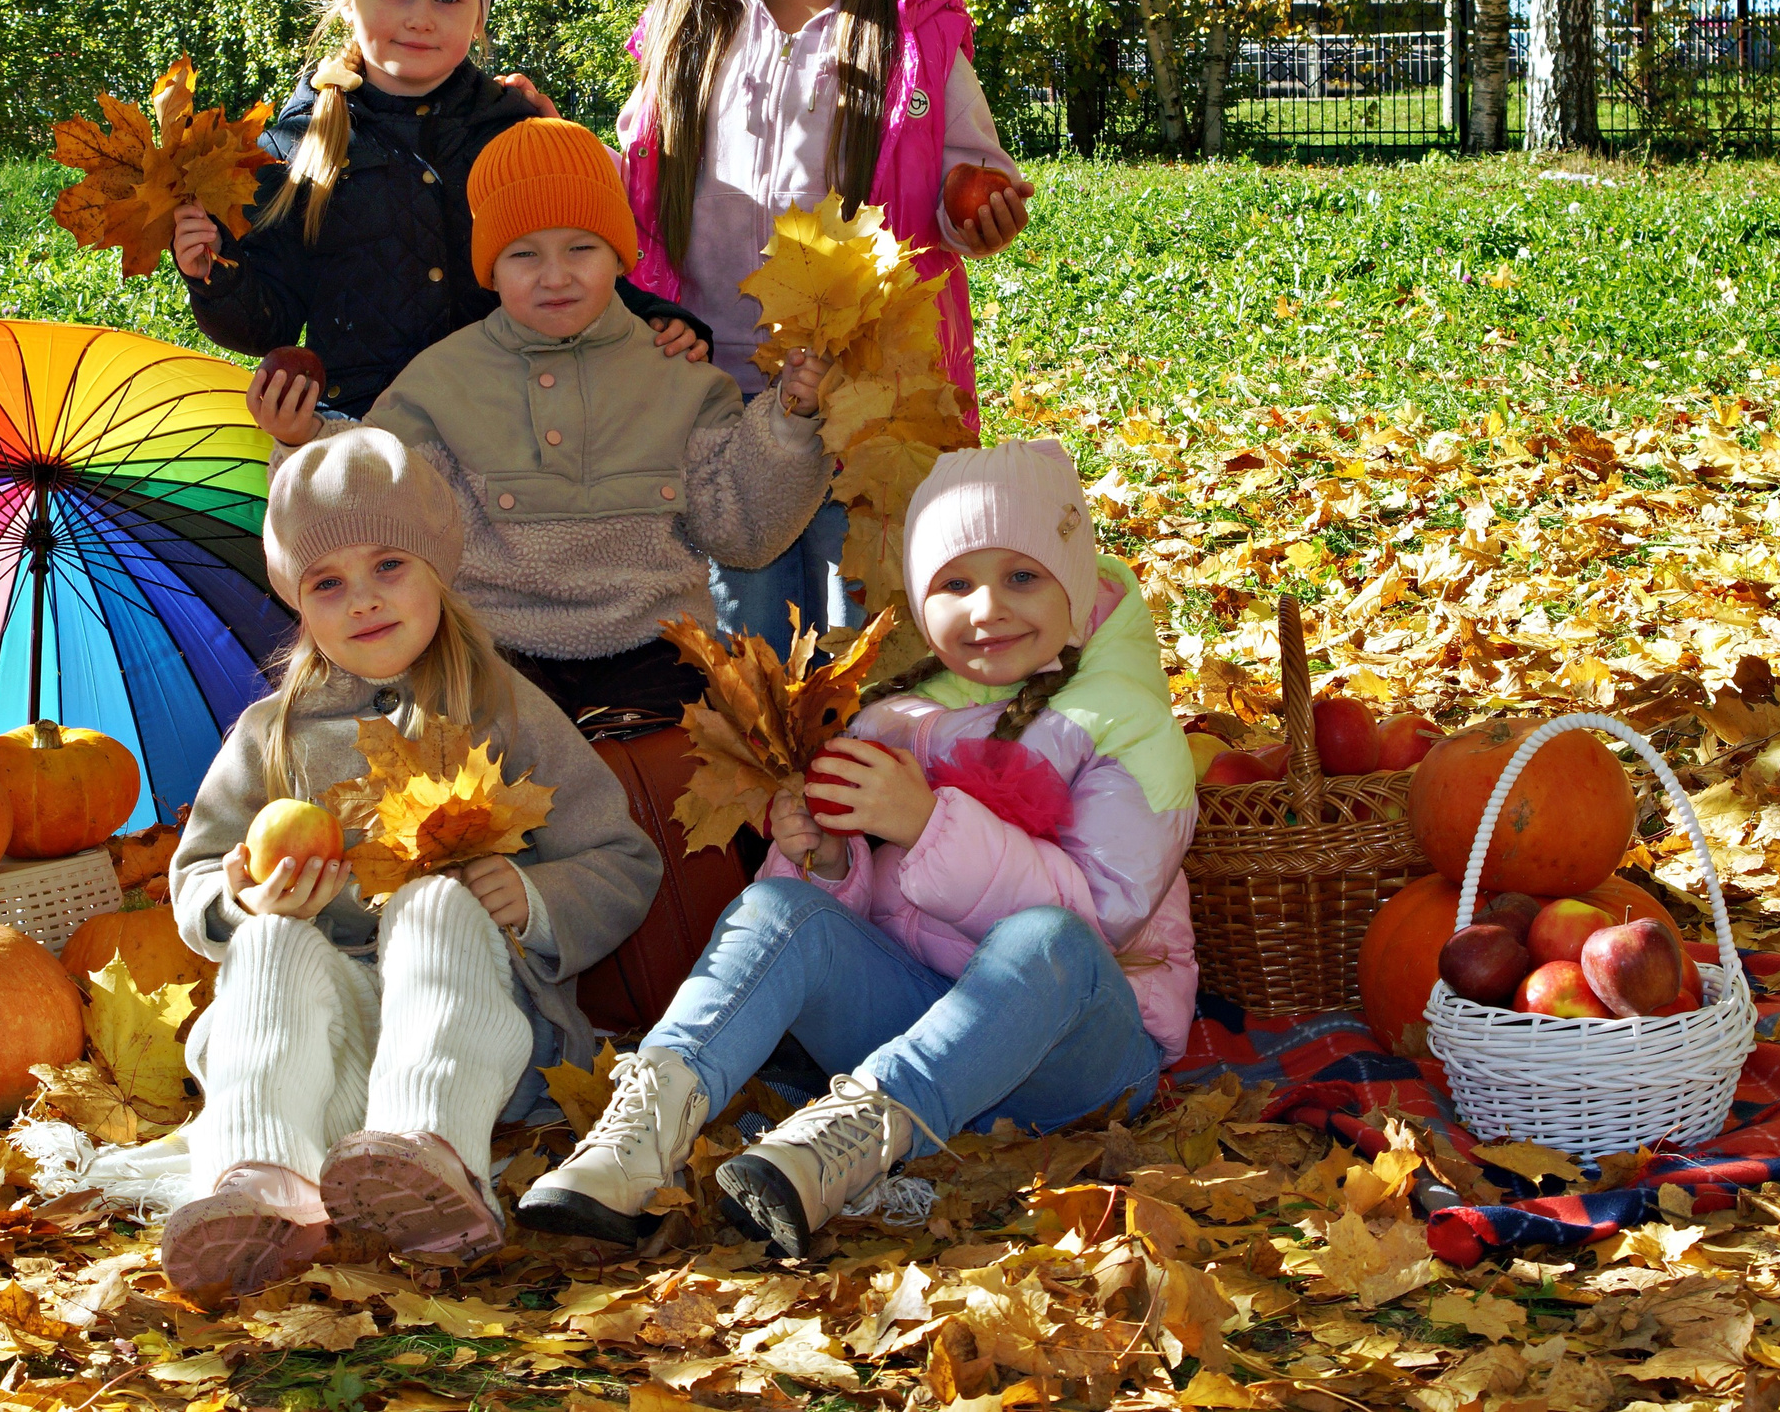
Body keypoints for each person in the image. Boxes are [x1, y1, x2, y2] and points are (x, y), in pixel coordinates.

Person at [519, 439, 1198, 1256]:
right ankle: (644, 1128)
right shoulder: (891, 716)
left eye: (1022, 575)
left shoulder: (1124, 723)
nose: (987, 609)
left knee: (1046, 940)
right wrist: (831, 862)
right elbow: (854, 917)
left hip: (1078, 1056)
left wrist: (926, 823)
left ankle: (850, 1137)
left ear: (1075, 578)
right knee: (778, 906)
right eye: (955, 582)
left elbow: (1101, 922)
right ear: (918, 598)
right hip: (916, 1015)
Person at [159, 428, 660, 1305]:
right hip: (331, 1046)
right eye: (328, 583)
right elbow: (196, 872)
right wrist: (241, 897)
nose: (362, 600)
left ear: (439, 565)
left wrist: (533, 899)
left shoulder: (500, 705)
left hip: (480, 1025)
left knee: (435, 901)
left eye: (389, 564)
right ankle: (263, 1179)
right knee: (274, 945)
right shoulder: (269, 736)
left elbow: (621, 856)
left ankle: (436, 1155)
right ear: (300, 604)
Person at [615, 0, 1036, 641]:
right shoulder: (692, 28)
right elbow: (631, 188)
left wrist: (976, 206)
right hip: (717, 391)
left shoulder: (912, 35)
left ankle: (861, 764)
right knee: (746, 631)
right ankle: (762, 771)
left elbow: (967, 171)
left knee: (860, 629)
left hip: (866, 395)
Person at [248, 116, 833, 721]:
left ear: (621, 256)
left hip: (658, 647)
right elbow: (378, 489)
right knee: (487, 774)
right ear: (490, 270)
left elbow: (740, 528)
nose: (555, 276)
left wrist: (790, 422)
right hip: (494, 649)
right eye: (524, 254)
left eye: (581, 248)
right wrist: (304, 441)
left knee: (675, 777)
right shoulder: (440, 380)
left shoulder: (680, 377)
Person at [172, 0, 710, 419]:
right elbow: (271, 320)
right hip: (362, 432)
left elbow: (575, 266)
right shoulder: (296, 142)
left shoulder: (514, 130)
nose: (420, 18)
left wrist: (653, 318)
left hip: (507, 426)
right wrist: (213, 272)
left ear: (481, 14)